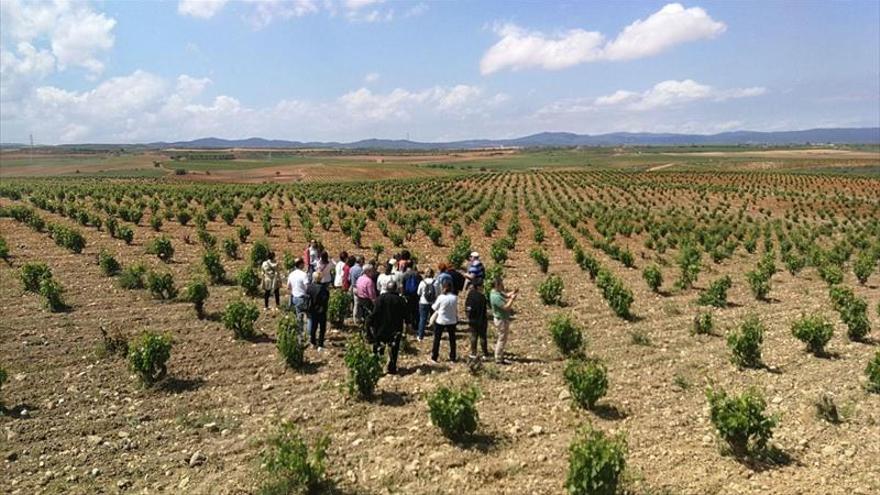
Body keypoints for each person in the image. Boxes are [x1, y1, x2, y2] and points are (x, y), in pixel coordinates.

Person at [368, 280, 409, 374]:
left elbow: (375, 313)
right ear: (396, 289)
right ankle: (392, 368)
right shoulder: (400, 300)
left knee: (379, 347)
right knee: (394, 349)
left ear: (386, 288)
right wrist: (407, 326)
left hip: (381, 328)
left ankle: (377, 366)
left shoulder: (380, 299)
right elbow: (406, 315)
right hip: (395, 329)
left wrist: (369, 324)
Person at [490, 276, 518, 364]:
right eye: (501, 284)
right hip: (501, 320)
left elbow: (505, 295)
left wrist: (513, 292)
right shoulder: (495, 297)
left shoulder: (496, 292)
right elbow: (506, 307)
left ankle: (500, 356)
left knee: (502, 338)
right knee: (502, 339)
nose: (503, 285)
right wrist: (512, 299)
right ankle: (498, 358)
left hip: (502, 319)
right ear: (497, 285)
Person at [430, 281, 458, 363]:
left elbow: (434, 307)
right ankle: (453, 357)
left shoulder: (441, 297)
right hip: (452, 320)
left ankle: (434, 357)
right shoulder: (455, 297)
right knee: (452, 340)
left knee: (437, 339)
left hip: (441, 320)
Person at [465, 278, 489, 359]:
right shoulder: (482, 297)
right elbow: (485, 309)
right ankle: (485, 353)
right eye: (482, 285)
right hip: (482, 320)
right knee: (483, 337)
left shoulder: (470, 295)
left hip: (472, 320)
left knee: (473, 336)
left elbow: (467, 308)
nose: (483, 287)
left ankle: (473, 353)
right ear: (478, 286)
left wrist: (468, 317)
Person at [287, 258, 310, 338]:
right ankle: (308, 335)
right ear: (300, 264)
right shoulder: (304, 275)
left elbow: (288, 287)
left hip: (294, 298)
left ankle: (299, 335)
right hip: (302, 298)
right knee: (309, 316)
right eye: (303, 263)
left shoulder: (291, 274)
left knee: (298, 317)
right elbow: (307, 287)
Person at [306, 271, 330, 351]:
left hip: (312, 309)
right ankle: (320, 344)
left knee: (313, 326)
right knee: (322, 328)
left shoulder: (309, 287)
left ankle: (313, 342)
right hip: (321, 310)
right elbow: (326, 299)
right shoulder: (323, 288)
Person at [355, 264, 378, 337]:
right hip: (367, 301)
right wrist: (375, 303)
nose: (373, 273)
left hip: (360, 299)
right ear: (367, 272)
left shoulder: (360, 278)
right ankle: (368, 334)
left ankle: (361, 333)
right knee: (369, 318)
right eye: (372, 271)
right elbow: (372, 295)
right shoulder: (369, 281)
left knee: (362, 317)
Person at [401, 264, 422, 333]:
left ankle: (409, 326)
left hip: (407, 296)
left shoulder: (404, 275)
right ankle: (416, 325)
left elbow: (402, 286)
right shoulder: (417, 275)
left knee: (408, 311)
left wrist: (403, 294)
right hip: (416, 295)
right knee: (416, 311)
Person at [416, 268, 436, 341]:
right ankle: (436, 335)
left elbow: (418, 293)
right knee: (434, 318)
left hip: (423, 302)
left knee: (422, 319)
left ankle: (420, 336)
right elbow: (439, 292)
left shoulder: (422, 282)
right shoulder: (436, 282)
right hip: (434, 303)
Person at [349, 256, 364, 321]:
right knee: (358, 304)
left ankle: (355, 317)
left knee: (355, 303)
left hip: (353, 287)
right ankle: (357, 319)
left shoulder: (351, 268)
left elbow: (349, 278)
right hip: (358, 288)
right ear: (360, 261)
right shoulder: (360, 270)